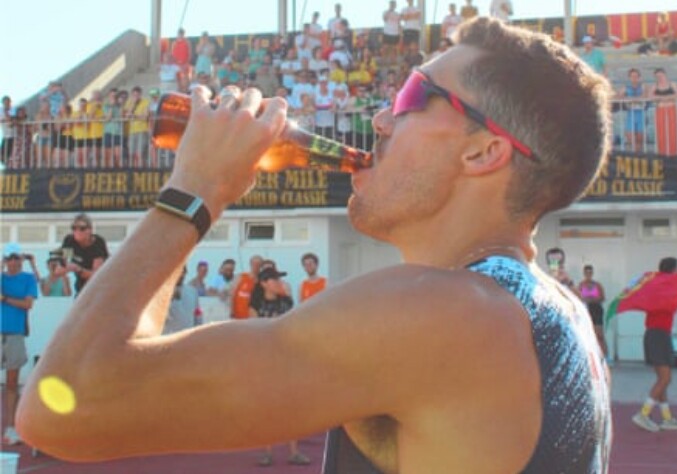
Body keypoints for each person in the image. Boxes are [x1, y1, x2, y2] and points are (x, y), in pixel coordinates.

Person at [18, 18, 614, 473]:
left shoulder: (445, 311)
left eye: (413, 95)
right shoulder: (552, 310)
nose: (381, 120)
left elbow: (64, 406)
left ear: (484, 152)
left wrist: (196, 188)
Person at [607, 257, 677, 432]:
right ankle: (643, 414)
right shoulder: (669, 287)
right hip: (659, 336)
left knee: (662, 379)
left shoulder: (659, 288)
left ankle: (667, 418)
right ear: (674, 270)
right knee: (666, 379)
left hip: (652, 335)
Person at [248, 266, 311, 466]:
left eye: (279, 279)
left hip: (286, 358)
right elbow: (254, 332)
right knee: (268, 408)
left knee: (291, 406)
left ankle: (294, 451)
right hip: (265, 360)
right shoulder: (255, 305)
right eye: (274, 280)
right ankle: (267, 452)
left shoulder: (287, 302)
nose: (279, 283)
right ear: (264, 283)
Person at [1, 243, 38, 445]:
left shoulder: (28, 278)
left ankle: (11, 427)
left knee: (12, 382)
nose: (14, 262)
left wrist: (4, 298)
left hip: (15, 334)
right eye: (10, 258)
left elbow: (27, 304)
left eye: (17, 258)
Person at [61, 213, 110, 295]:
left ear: (90, 230)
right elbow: (64, 263)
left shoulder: (97, 243)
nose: (77, 231)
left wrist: (78, 269)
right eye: (74, 228)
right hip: (81, 288)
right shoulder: (69, 241)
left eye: (82, 228)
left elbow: (96, 276)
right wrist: (63, 267)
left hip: (100, 288)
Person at [649, 68, 677, 156]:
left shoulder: (672, 84)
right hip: (660, 109)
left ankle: (673, 153)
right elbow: (650, 96)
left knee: (673, 131)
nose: (660, 78)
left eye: (661, 76)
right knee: (661, 132)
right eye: (657, 76)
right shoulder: (655, 86)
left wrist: (666, 97)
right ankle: (662, 153)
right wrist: (664, 98)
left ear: (665, 75)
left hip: (671, 109)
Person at [578, 265, 608, 357]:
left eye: (590, 272)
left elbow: (602, 298)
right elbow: (578, 298)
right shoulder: (581, 285)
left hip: (596, 310)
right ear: (584, 273)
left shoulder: (597, 285)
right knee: (587, 335)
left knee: (600, 335)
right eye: (587, 273)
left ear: (592, 273)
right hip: (586, 310)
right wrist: (585, 300)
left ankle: (605, 356)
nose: (588, 274)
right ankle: (592, 356)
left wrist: (591, 299)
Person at [617, 68, 647, 153]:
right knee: (629, 135)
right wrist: (630, 99)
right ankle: (635, 153)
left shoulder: (643, 86)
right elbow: (618, 96)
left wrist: (631, 99)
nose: (634, 78)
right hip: (631, 114)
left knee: (640, 137)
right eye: (632, 76)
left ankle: (639, 153)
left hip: (641, 114)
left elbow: (645, 95)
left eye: (636, 76)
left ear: (639, 77)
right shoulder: (626, 87)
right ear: (629, 78)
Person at [163, 266, 200, 335]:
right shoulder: (162, 292)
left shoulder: (192, 291)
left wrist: (199, 330)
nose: (181, 275)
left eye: (183, 272)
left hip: (189, 335)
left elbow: (197, 313)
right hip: (169, 336)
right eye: (179, 272)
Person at [229, 255, 263, 320]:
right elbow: (232, 294)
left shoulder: (262, 281)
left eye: (258, 264)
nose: (256, 266)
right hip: (238, 315)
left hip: (253, 317)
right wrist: (231, 310)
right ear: (250, 264)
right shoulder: (241, 277)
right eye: (254, 264)